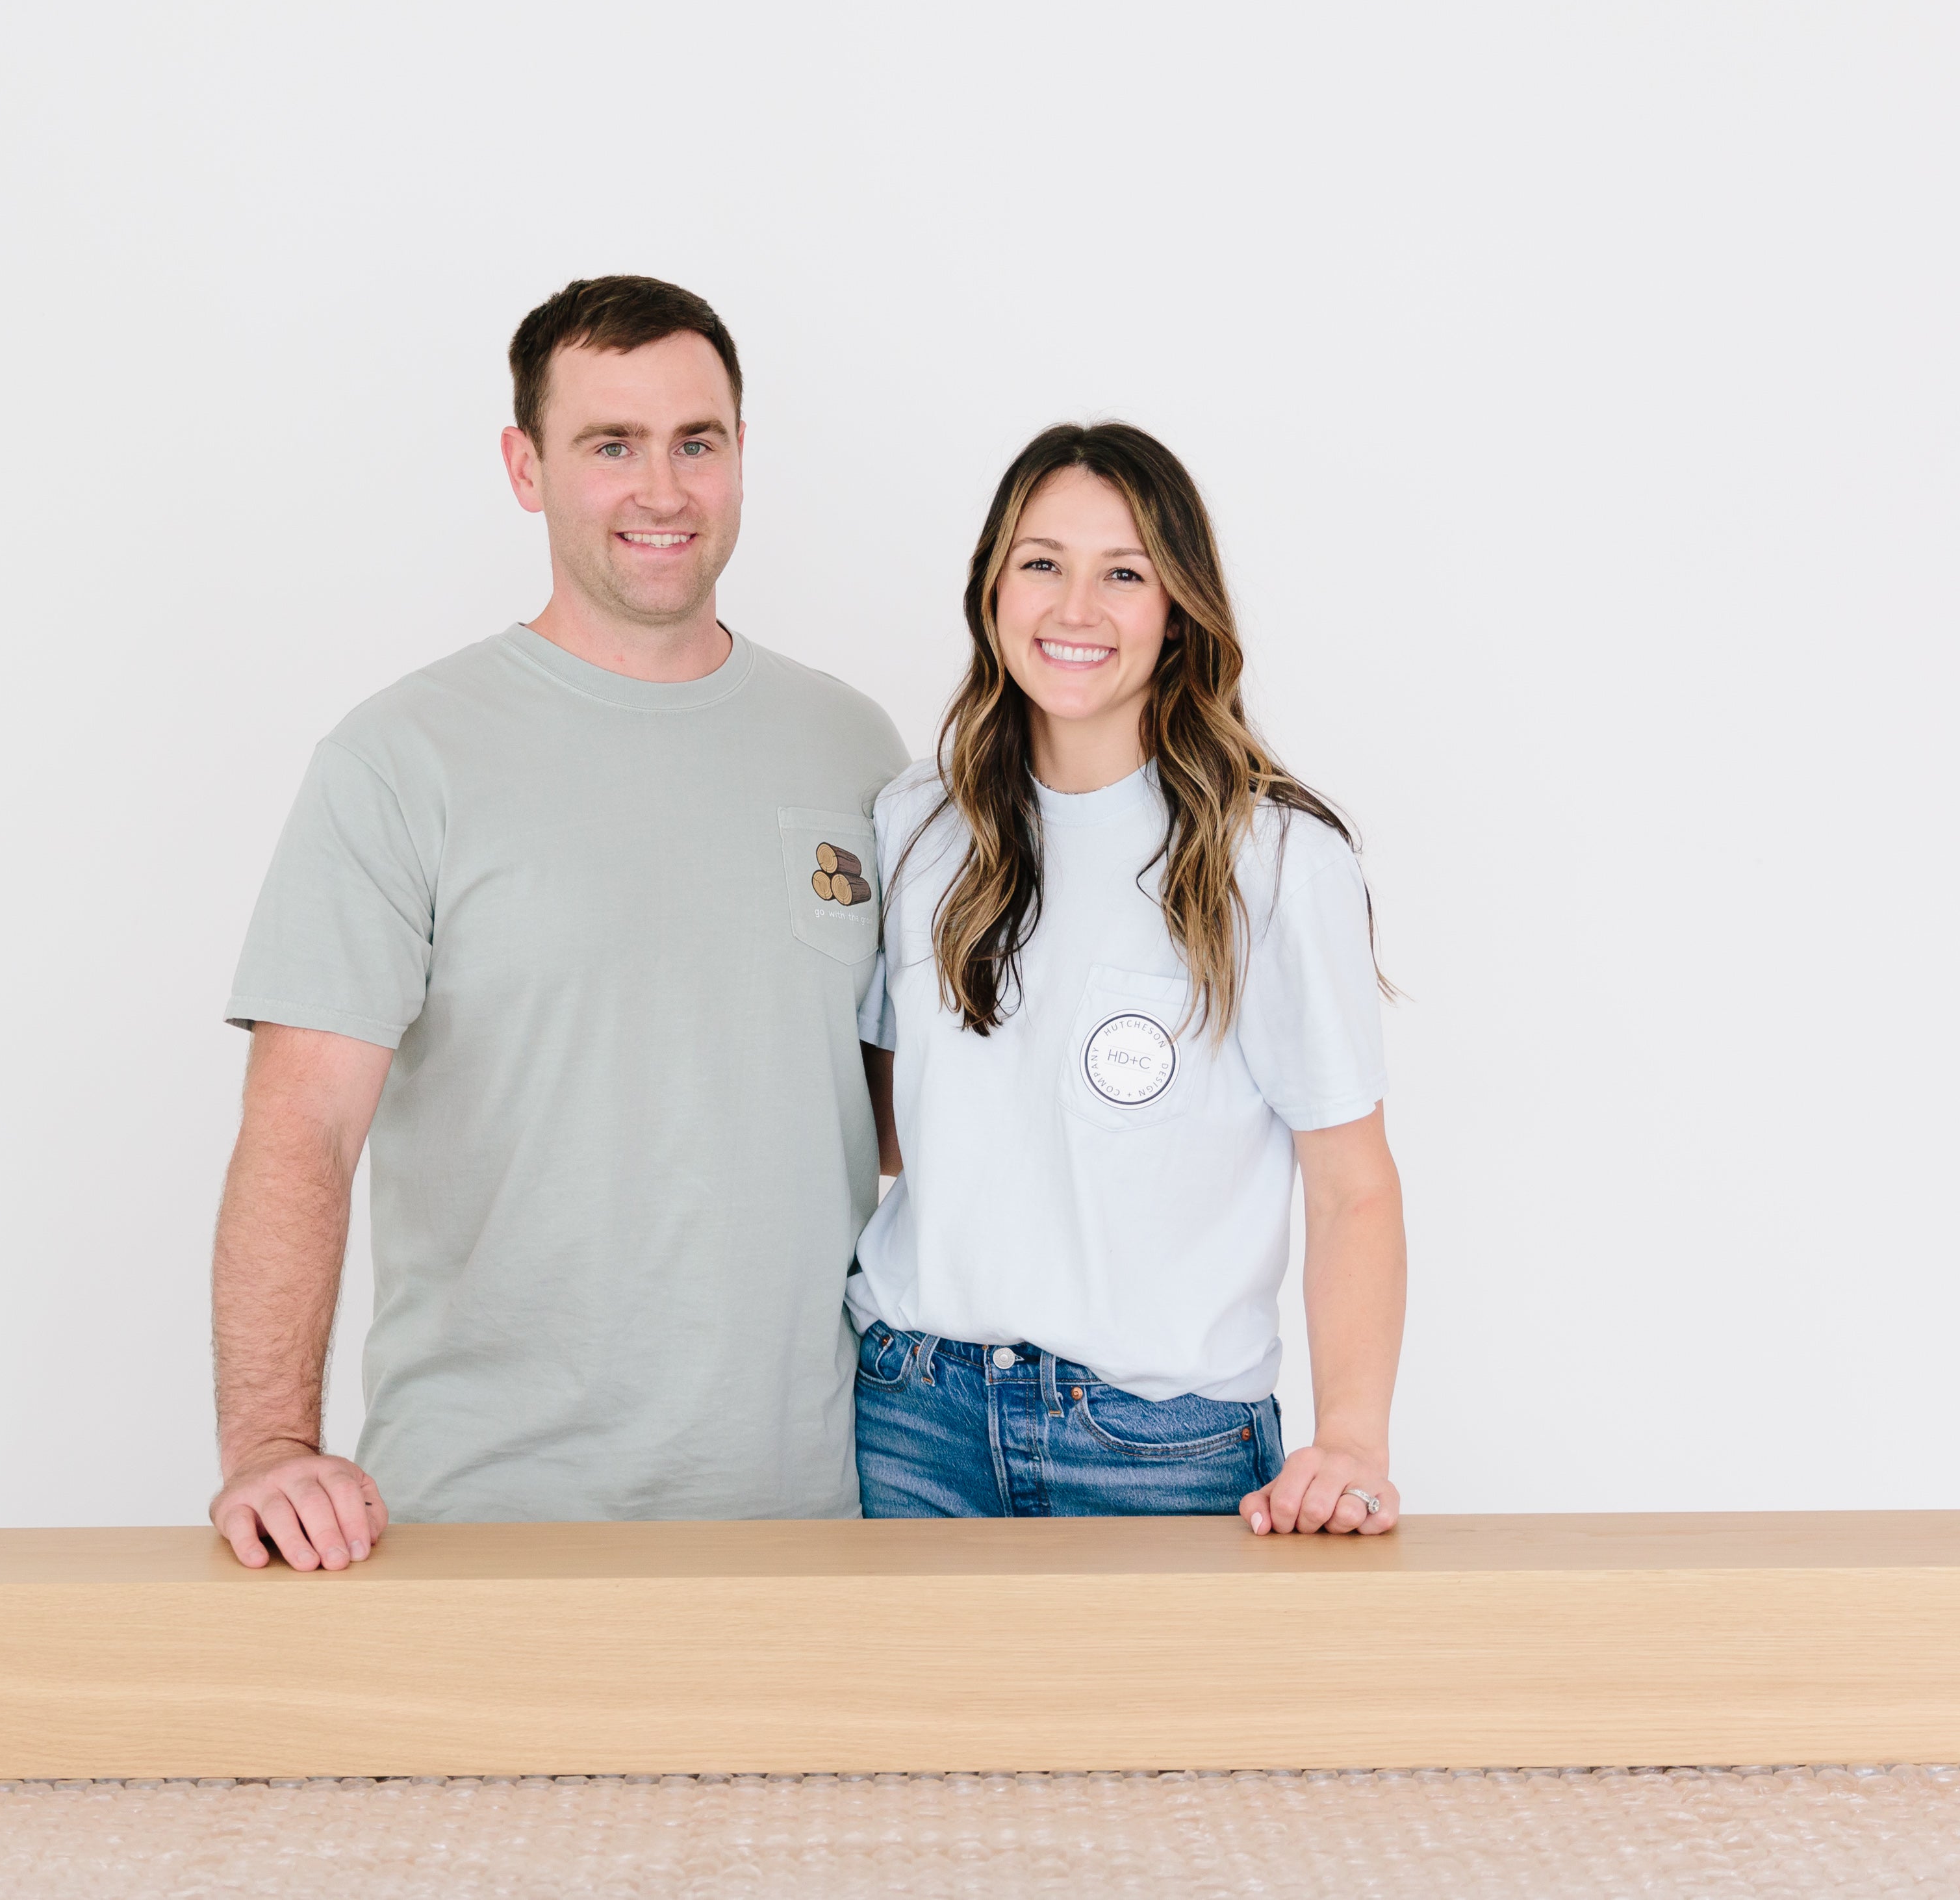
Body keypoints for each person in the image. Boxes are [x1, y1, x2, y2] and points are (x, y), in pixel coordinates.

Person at [209, 276, 908, 1572]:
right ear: (525, 468)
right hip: (483, 1520)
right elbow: (301, 1123)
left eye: (697, 442)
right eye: (610, 446)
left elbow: (909, 1119)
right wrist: (267, 1448)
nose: (662, 490)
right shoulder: (400, 758)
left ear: (743, 455)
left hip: (818, 1516)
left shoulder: (854, 749)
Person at [849, 422, 1408, 1536]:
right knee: (903, 1719)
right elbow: (881, 1131)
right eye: (1041, 563)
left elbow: (1352, 1186)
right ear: (991, 587)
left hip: (1158, 1441)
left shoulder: (1275, 858)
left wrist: (1349, 1440)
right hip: (911, 1417)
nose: (1074, 609)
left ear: (1178, 608)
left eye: (1123, 574)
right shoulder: (916, 824)